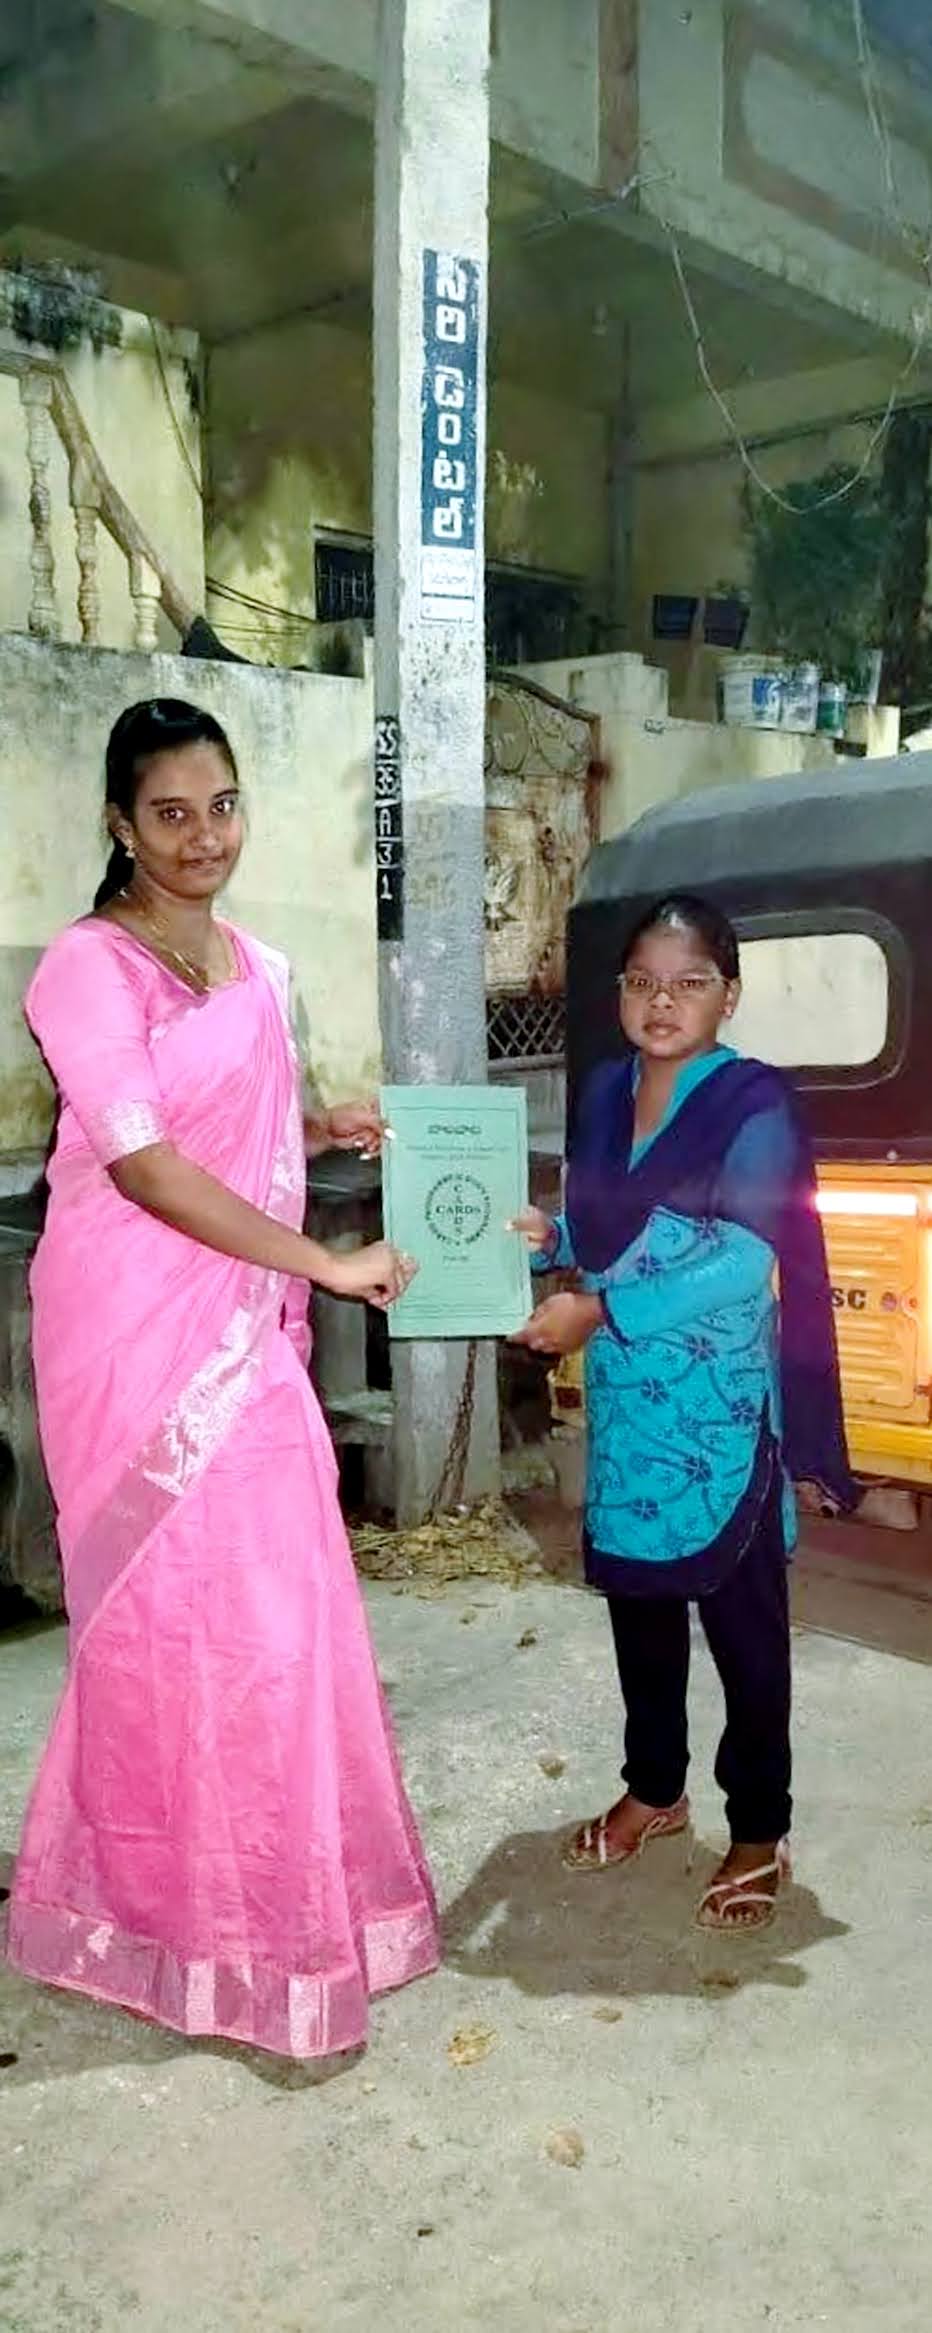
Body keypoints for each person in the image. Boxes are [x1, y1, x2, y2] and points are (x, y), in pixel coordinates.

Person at [6, 697, 439, 2056]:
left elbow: (233, 1124)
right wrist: (326, 1260)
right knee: (163, 1626)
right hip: (134, 1334)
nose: (203, 836)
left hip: (247, 1333)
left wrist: (319, 1125)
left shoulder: (259, 964)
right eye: (172, 813)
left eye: (223, 805)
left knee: (273, 1619)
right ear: (121, 825)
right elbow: (143, 1162)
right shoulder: (86, 967)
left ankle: (278, 1918)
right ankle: (165, 1919)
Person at [511, 894, 853, 1932]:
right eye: (642, 982)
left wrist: (596, 1310)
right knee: (640, 1605)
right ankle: (654, 1787)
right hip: (627, 1406)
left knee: (745, 1633)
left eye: (689, 981)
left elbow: (743, 1260)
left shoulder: (752, 1103)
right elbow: (602, 1221)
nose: (662, 1002)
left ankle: (757, 1826)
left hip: (719, 1418)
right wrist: (548, 1235)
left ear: (727, 994)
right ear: (620, 992)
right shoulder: (605, 1091)